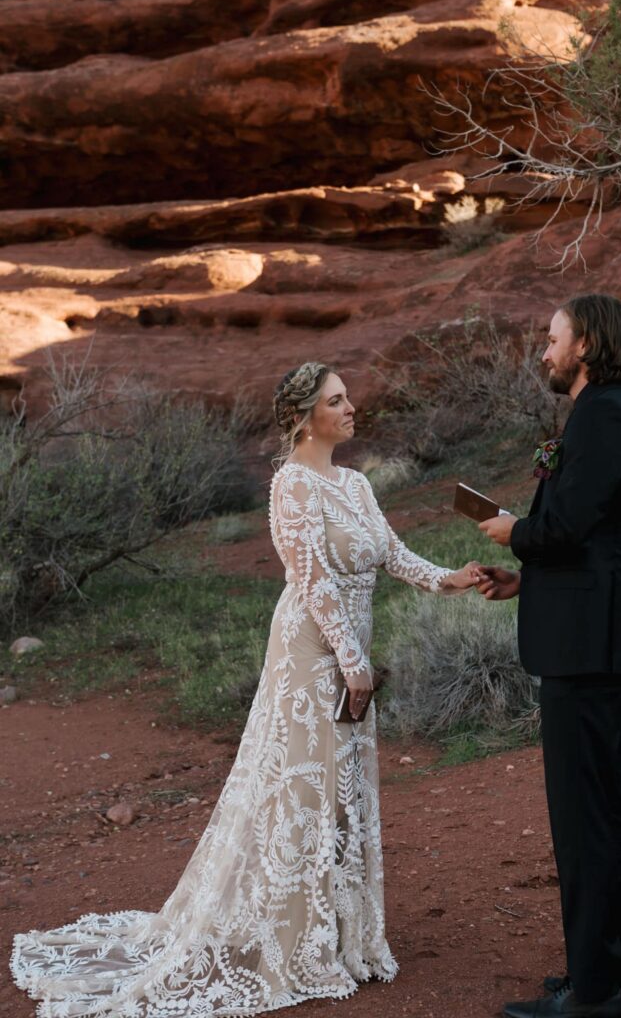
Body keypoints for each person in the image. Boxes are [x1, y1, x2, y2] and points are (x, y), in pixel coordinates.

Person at [11, 361, 481, 1017]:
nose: (352, 409)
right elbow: (311, 580)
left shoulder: (355, 483)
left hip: (349, 659)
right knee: (302, 789)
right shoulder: (291, 485)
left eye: (349, 398)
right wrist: (352, 662)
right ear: (303, 416)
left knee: (341, 795)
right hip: (310, 654)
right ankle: (296, 946)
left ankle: (342, 941)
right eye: (336, 400)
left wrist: (449, 579)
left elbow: (393, 555)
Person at [476, 295, 621, 1018]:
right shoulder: (597, 416)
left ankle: (592, 991)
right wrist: (527, 576)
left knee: (588, 820)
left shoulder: (607, 416)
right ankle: (619, 975)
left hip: (587, 647)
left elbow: (563, 524)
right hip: (589, 635)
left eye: (550, 339)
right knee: (610, 810)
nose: (542, 351)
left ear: (584, 344)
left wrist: (511, 532)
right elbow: (583, 536)